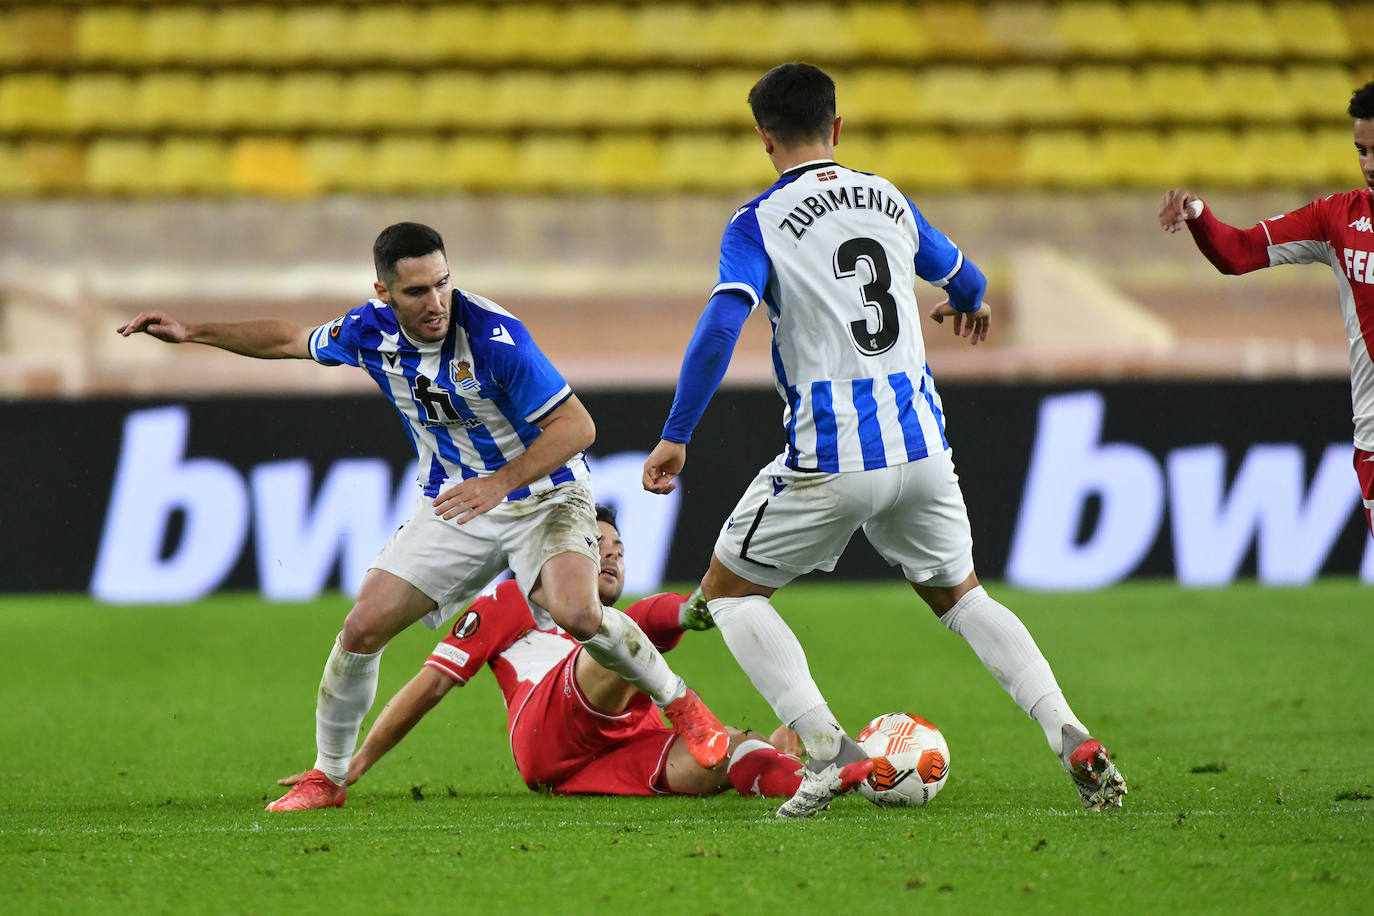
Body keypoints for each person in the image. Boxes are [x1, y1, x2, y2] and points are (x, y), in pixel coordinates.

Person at [641, 63, 1127, 818]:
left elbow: (721, 326)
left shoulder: (758, 221)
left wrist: (676, 436)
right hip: (924, 446)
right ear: (836, 128)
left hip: (833, 452)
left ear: (766, 139)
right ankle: (1070, 732)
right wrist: (971, 304)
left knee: (730, 597)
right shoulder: (887, 198)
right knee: (964, 599)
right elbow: (964, 277)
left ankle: (830, 753)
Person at [117, 221, 729, 812]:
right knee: (361, 629)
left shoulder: (494, 338)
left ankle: (685, 708)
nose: (436, 301)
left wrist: (502, 482)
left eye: (443, 283)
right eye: (417, 290)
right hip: (456, 501)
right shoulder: (366, 330)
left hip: (544, 492)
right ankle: (328, 777)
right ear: (383, 292)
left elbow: (578, 426)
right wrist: (192, 331)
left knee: (577, 612)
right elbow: (286, 340)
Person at [278, 506, 804, 800]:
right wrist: (352, 765)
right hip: (548, 729)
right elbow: (429, 685)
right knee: (625, 628)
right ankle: (696, 608)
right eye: (598, 545)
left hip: (613, 748)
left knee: (733, 753)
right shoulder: (510, 600)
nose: (613, 555)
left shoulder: (618, 636)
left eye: (619, 549)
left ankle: (810, 780)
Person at [1159, 78, 1374, 537]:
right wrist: (1198, 212)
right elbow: (1238, 252)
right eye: (1361, 151)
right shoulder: (1338, 218)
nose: (1369, 165)